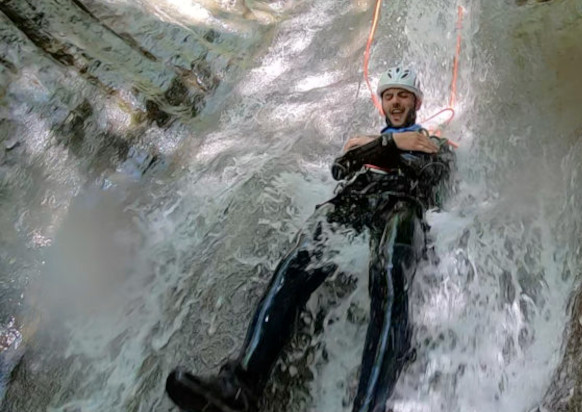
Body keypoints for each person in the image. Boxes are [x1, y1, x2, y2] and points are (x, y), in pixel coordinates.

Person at [165, 66, 455, 412]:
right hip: (353, 203)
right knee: (298, 261)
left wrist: (394, 149)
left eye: (403, 95)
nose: (395, 101)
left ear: (416, 102)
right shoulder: (360, 141)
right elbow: (342, 168)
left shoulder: (434, 141)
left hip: (401, 207)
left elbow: (435, 175)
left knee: (390, 271)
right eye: (389, 95)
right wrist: (391, 142)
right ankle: (240, 386)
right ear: (381, 103)